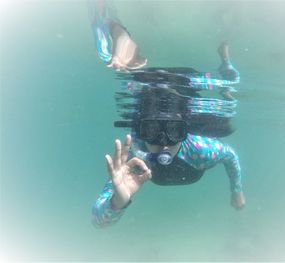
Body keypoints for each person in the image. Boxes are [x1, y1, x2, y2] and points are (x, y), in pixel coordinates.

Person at [88, 0, 245, 227]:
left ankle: (225, 59)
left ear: (185, 129)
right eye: (151, 131)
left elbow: (231, 157)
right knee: (228, 88)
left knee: (229, 88)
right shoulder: (136, 157)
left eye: (173, 131)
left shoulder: (200, 150)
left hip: (152, 83)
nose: (163, 143)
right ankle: (120, 38)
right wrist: (117, 201)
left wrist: (236, 191)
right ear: (141, 131)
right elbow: (97, 221)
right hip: (184, 82)